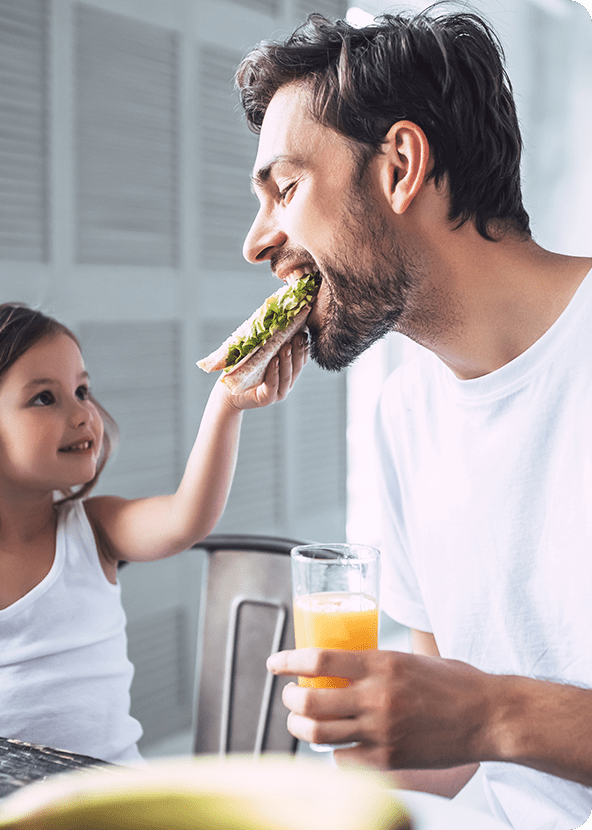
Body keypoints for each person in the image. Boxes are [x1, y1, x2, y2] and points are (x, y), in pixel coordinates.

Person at [235, 6, 592, 829]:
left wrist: (489, 714)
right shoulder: (404, 413)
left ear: (399, 165)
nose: (258, 242)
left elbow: (483, 718)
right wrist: (368, 729)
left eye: (285, 189)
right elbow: (457, 747)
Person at [0, 302, 306, 765]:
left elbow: (187, 517)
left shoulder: (94, 528)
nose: (84, 413)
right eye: (45, 397)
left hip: (118, 801)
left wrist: (227, 402)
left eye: (82, 390)